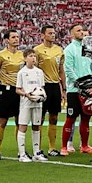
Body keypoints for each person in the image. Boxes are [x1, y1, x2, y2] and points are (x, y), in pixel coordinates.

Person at [0, 29, 26, 161]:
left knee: (19, 120)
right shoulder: (0, 55)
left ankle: (20, 151)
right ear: (7, 40)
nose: (16, 39)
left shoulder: (23, 55)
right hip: (6, 89)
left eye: (17, 37)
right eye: (13, 37)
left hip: (20, 90)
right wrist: (0, 83)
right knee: (3, 121)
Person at [31, 25, 65, 158]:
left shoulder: (59, 50)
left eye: (54, 33)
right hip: (42, 87)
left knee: (54, 117)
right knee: (39, 117)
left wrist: (64, 88)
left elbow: (61, 70)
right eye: (50, 33)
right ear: (43, 35)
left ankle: (52, 147)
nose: (53, 35)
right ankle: (37, 148)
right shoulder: (37, 50)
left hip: (55, 86)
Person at [61, 24, 92, 155]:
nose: (81, 32)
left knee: (86, 117)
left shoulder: (88, 49)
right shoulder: (69, 50)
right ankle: (64, 146)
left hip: (88, 88)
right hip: (74, 90)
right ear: (72, 34)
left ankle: (84, 146)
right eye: (78, 31)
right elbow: (68, 69)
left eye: (82, 30)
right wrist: (79, 83)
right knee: (71, 118)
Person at [16, 53, 48, 163]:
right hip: (26, 103)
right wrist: (27, 95)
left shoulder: (39, 72)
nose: (33, 58)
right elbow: (18, 89)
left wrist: (42, 96)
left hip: (38, 104)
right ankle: (22, 154)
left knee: (36, 126)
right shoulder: (22, 72)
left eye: (34, 56)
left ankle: (36, 153)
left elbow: (41, 88)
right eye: (30, 56)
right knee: (23, 127)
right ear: (25, 58)